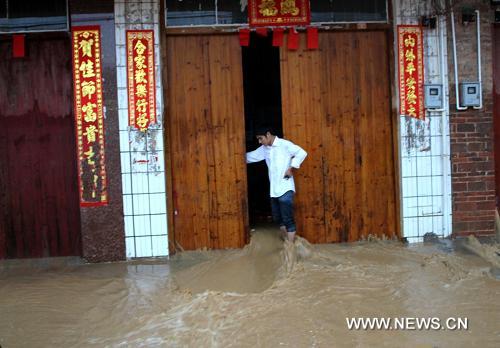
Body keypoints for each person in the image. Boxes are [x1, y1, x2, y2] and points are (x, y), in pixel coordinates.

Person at [246, 126, 307, 242]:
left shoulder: (285, 145)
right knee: (278, 218)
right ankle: (287, 243)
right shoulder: (264, 148)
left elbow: (302, 153)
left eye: (260, 138)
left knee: (287, 219)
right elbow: (249, 157)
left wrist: (291, 167)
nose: (259, 142)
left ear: (268, 134)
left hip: (285, 187)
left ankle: (291, 249)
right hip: (273, 190)